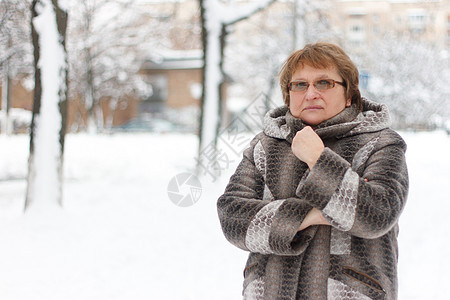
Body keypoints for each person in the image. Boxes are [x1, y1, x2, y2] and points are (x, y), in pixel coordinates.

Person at [217, 42, 408, 299]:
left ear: (349, 94)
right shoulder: (264, 145)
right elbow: (232, 217)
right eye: (300, 85)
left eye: (324, 83)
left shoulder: (381, 143)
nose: (311, 94)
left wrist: (318, 159)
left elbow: (378, 214)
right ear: (288, 95)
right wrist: (308, 215)